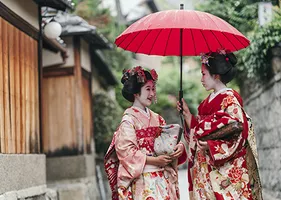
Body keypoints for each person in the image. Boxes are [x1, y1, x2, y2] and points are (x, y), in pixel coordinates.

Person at [177, 51, 263, 200]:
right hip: (204, 167)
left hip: (222, 168)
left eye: (204, 74)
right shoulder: (206, 102)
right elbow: (199, 128)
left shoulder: (230, 99)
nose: (201, 79)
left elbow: (239, 132)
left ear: (216, 75)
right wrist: (187, 115)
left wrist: (212, 145)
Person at [105, 66, 187, 200]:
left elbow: (167, 143)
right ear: (136, 93)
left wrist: (179, 147)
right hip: (142, 178)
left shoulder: (157, 118)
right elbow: (126, 152)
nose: (152, 94)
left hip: (162, 177)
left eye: (153, 89)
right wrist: (154, 160)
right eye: (148, 89)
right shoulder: (128, 120)